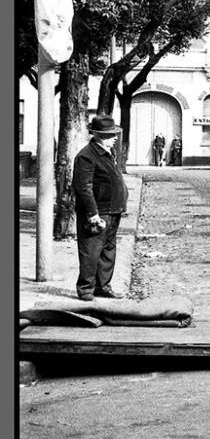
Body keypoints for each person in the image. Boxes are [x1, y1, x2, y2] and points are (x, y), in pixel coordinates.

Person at [72, 115, 129, 301]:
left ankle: (102, 286)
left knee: (108, 249)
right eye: (109, 135)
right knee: (91, 250)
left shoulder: (108, 152)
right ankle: (86, 289)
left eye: (114, 134)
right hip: (98, 211)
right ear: (96, 135)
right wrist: (92, 214)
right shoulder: (86, 156)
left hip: (113, 209)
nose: (115, 137)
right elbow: (83, 187)